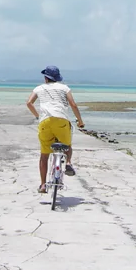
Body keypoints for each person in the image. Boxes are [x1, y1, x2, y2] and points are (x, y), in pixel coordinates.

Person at [25, 65, 84, 193]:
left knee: (44, 155)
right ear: (57, 78)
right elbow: (73, 105)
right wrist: (80, 121)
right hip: (61, 121)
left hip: (45, 121)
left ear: (46, 78)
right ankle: (68, 163)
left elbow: (29, 103)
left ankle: (42, 185)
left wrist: (37, 116)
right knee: (67, 145)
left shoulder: (39, 88)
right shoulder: (64, 88)